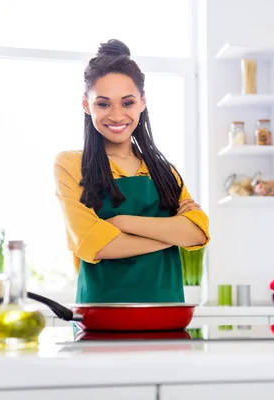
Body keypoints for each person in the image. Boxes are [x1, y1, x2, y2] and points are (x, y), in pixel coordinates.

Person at [53, 39, 210, 304]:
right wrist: (172, 236)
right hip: (101, 315)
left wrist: (123, 224)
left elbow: (198, 233)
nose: (116, 115)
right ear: (85, 104)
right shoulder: (70, 165)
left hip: (166, 312)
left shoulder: (164, 171)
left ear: (142, 102)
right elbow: (96, 245)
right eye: (103, 104)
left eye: (127, 103)